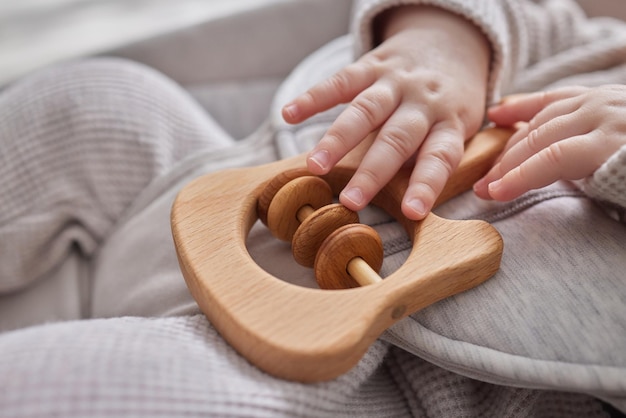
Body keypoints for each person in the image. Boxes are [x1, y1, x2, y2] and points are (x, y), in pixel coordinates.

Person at [1, 0, 625, 417]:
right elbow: (534, 14)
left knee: (77, 391)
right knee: (94, 99)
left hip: (396, 374)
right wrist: (442, 43)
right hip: (248, 187)